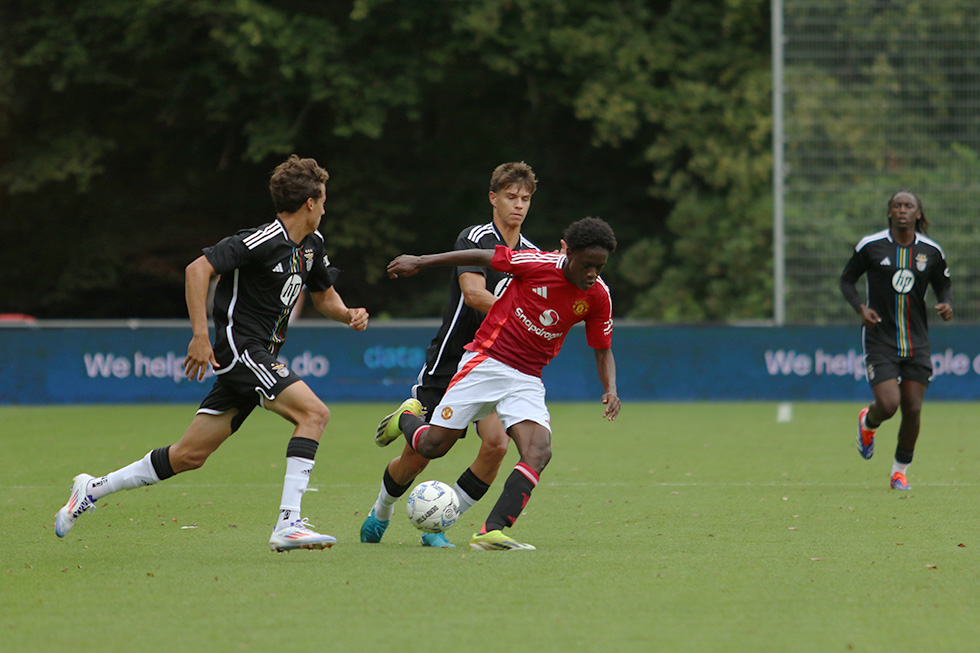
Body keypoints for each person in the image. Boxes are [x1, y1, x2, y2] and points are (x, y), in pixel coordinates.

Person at [54, 155, 370, 551]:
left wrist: (348, 314)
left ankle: (92, 489)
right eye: (323, 199)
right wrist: (200, 336)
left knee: (189, 455)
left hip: (257, 357)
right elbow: (196, 270)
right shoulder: (260, 240)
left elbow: (324, 297)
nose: (325, 207)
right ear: (310, 202)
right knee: (314, 413)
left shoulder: (312, 245)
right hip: (244, 350)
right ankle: (289, 522)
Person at [379, 216, 620, 551]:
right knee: (433, 446)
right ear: (569, 255)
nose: (593, 273)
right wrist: (420, 261)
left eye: (600, 267)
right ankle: (406, 418)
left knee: (539, 450)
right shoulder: (535, 263)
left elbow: (602, 349)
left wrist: (610, 389)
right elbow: (479, 256)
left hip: (527, 377)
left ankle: (491, 530)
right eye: (587, 265)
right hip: (487, 361)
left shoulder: (598, 295)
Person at [361, 162, 540, 548]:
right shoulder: (474, 237)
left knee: (496, 445)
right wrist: (519, 319)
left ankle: (439, 523)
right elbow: (474, 294)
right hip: (451, 362)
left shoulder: (532, 254)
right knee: (421, 457)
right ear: (493, 198)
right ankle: (382, 509)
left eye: (525, 199)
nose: (518, 205)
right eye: (511, 197)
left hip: (495, 363)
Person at [840, 189, 952, 491]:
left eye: (909, 206)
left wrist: (946, 303)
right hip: (880, 339)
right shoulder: (871, 246)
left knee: (913, 408)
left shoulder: (931, 251)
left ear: (918, 213)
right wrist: (860, 308)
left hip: (917, 341)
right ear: (889, 212)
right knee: (889, 405)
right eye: (897, 205)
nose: (902, 210)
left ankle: (899, 472)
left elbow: (944, 285)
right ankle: (869, 422)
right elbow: (846, 279)